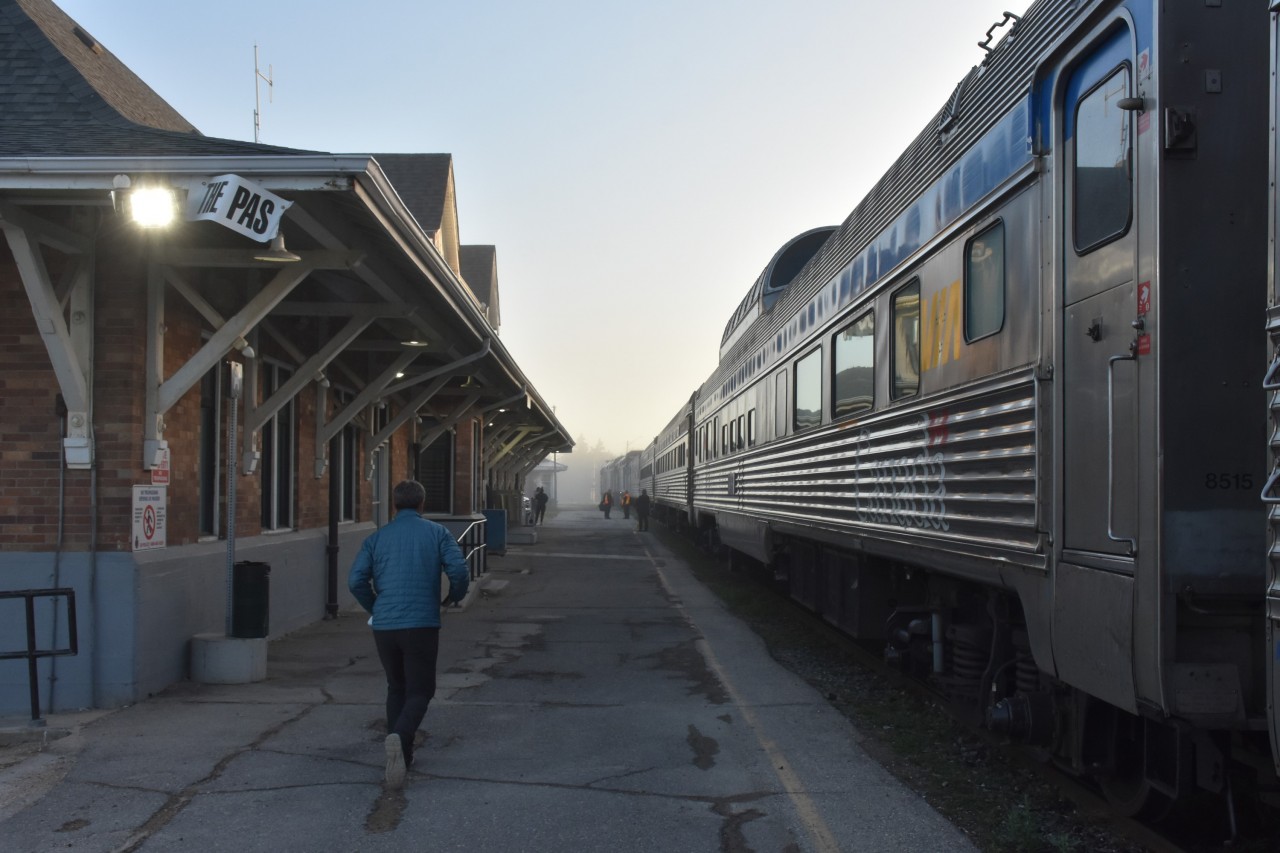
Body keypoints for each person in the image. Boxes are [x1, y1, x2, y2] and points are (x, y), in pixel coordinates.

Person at [348, 480, 469, 789]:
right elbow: (458, 571)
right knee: (421, 690)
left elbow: (355, 580)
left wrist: (375, 606)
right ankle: (399, 738)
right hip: (421, 624)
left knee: (396, 686)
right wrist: (453, 596)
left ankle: (402, 756)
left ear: (394, 505)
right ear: (422, 504)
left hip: (385, 626)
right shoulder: (438, 533)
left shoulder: (377, 538)